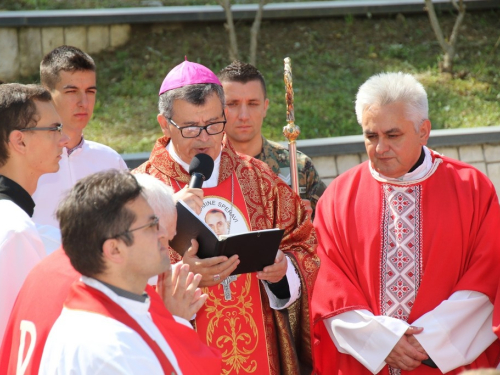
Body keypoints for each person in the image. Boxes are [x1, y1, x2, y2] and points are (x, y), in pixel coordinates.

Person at [134, 58, 319, 374]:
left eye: (214, 125)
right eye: (191, 127)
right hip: (183, 355)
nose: (205, 139)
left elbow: (305, 245)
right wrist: (178, 275)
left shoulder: (259, 179)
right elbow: (119, 273)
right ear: (164, 124)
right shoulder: (139, 192)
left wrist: (284, 271)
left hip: (262, 354)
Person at [312, 72, 500, 374]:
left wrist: (427, 341)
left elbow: (488, 275)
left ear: (423, 131)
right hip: (366, 362)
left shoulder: (472, 189)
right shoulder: (338, 196)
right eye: (371, 136)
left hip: (443, 363)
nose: (380, 148)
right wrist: (380, 341)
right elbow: (328, 284)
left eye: (393, 135)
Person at [0, 171, 221, 374]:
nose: (162, 241)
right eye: (152, 226)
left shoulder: (92, 297)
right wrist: (173, 322)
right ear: (114, 249)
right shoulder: (113, 345)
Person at [0, 83, 68, 343]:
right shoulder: (15, 230)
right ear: (19, 141)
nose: (64, 139)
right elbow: (21, 338)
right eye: (54, 129)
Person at [32, 45, 127, 229]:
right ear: (46, 94)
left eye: (90, 91)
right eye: (71, 91)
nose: (84, 102)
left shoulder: (110, 161)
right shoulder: (25, 163)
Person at [218, 60, 326, 216]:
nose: (244, 116)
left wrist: (309, 224)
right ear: (218, 108)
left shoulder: (297, 166)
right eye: (233, 104)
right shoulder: (206, 169)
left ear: (265, 107)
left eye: (253, 103)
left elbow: (330, 226)